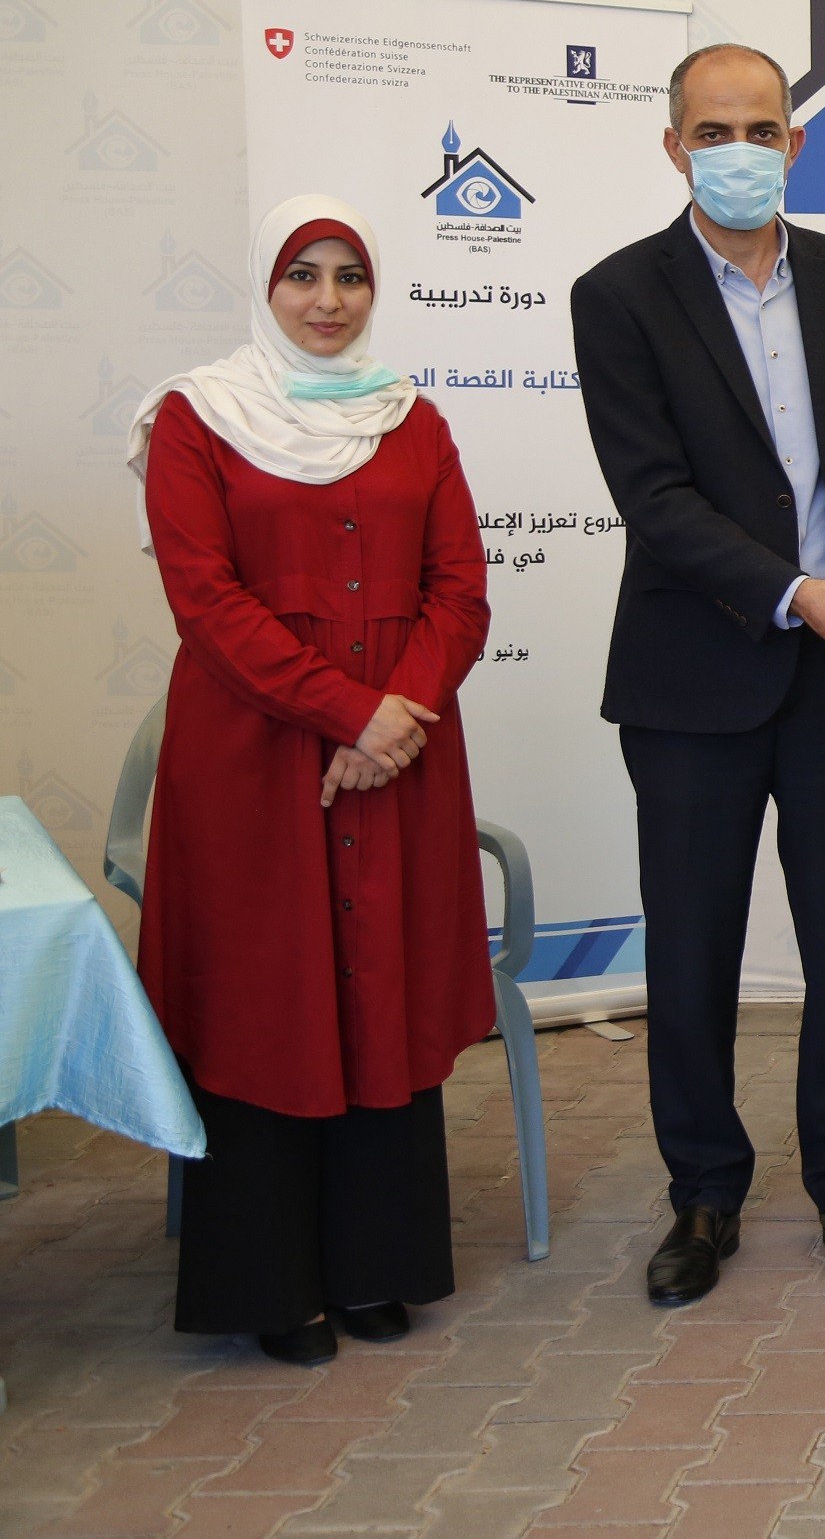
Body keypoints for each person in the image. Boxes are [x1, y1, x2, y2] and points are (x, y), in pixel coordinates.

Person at [127, 195, 493, 1366]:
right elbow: (205, 601)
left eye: (350, 276)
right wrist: (349, 711)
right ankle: (271, 1283)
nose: (328, 301)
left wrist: (396, 714)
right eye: (303, 275)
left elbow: (460, 591)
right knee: (265, 999)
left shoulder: (413, 420)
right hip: (253, 755)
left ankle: (378, 1265)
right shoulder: (195, 418)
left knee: (380, 985)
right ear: (265, 285)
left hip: (398, 753)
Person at [572, 43, 825, 1308]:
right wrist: (791, 589)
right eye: (713, 132)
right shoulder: (617, 294)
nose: (739, 152)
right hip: (691, 679)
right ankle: (704, 1194)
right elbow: (653, 497)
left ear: (795, 145)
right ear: (673, 147)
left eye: (762, 130)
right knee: (693, 956)